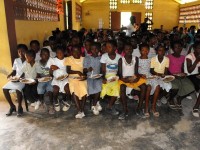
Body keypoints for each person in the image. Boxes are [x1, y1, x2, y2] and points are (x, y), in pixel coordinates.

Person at [118, 43, 146, 119]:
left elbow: (136, 72)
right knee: (122, 87)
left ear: (133, 50)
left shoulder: (135, 58)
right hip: (124, 79)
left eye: (130, 49)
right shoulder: (121, 60)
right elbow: (120, 75)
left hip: (133, 78)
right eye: (126, 49)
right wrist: (126, 80)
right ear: (124, 50)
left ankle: (139, 108)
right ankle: (125, 110)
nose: (129, 50)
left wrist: (136, 78)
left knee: (144, 86)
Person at [168, 41, 195, 109]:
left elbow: (182, 67)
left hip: (180, 75)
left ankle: (179, 98)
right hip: (171, 76)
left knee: (191, 87)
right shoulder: (169, 57)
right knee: (175, 86)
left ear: (182, 48)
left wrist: (183, 73)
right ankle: (171, 99)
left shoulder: (183, 57)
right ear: (173, 49)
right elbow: (166, 69)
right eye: (176, 47)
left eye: (179, 47)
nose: (178, 49)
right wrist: (173, 75)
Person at [3, 44, 27, 117]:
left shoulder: (28, 59)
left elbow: (25, 72)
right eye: (19, 52)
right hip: (16, 79)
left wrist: (19, 78)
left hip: (24, 79)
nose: (21, 53)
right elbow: (14, 71)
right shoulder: (16, 60)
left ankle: (20, 107)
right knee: (5, 89)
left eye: (23, 51)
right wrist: (10, 75)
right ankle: (12, 106)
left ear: (26, 51)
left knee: (18, 90)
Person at [65, 45, 88, 119]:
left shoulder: (83, 59)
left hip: (81, 78)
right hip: (72, 78)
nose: (76, 53)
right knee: (74, 91)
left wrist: (84, 76)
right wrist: (78, 72)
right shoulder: (69, 59)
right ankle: (79, 110)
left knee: (84, 89)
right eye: (74, 51)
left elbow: (85, 71)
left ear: (81, 51)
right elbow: (68, 71)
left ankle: (82, 109)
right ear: (72, 52)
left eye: (78, 51)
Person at [138, 43, 160, 117]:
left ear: (149, 50)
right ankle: (146, 107)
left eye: (147, 50)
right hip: (141, 77)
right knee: (149, 87)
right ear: (140, 51)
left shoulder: (150, 59)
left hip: (149, 75)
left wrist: (155, 74)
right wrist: (141, 75)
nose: (145, 52)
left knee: (157, 86)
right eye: (143, 50)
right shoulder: (137, 59)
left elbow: (151, 70)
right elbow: (135, 71)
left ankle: (153, 107)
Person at [100, 40, 121, 115]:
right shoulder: (104, 56)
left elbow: (120, 70)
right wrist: (103, 78)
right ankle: (108, 103)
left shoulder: (119, 57)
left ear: (115, 48)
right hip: (107, 75)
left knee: (116, 87)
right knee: (105, 85)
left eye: (109, 47)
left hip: (115, 76)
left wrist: (118, 76)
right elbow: (103, 70)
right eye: (106, 47)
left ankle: (110, 106)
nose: (107, 49)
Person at [83, 42, 102, 115]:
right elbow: (84, 70)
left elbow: (102, 69)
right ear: (90, 50)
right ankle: (96, 102)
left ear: (99, 49)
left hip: (98, 76)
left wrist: (101, 75)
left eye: (96, 49)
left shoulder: (100, 58)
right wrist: (88, 69)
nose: (95, 51)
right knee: (91, 88)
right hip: (89, 77)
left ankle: (94, 105)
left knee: (98, 88)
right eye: (93, 49)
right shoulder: (87, 58)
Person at [50, 46, 71, 112]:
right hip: (56, 78)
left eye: (61, 53)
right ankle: (56, 101)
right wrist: (51, 68)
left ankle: (68, 101)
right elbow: (51, 73)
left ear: (64, 53)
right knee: (55, 89)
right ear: (56, 53)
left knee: (67, 88)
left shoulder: (66, 59)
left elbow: (68, 71)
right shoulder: (53, 60)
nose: (59, 54)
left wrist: (66, 76)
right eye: (58, 53)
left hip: (65, 78)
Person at [36, 48, 54, 114]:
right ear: (40, 55)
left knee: (50, 89)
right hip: (42, 79)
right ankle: (41, 101)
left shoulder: (51, 61)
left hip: (50, 78)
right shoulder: (38, 63)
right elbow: (38, 73)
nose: (46, 56)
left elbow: (52, 71)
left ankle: (51, 105)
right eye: (44, 54)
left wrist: (51, 75)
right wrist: (37, 76)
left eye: (47, 54)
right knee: (40, 88)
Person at [184, 41, 200, 117]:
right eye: (198, 48)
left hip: (196, 75)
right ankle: (196, 107)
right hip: (189, 76)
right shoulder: (189, 56)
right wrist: (197, 60)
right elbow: (189, 70)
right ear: (194, 48)